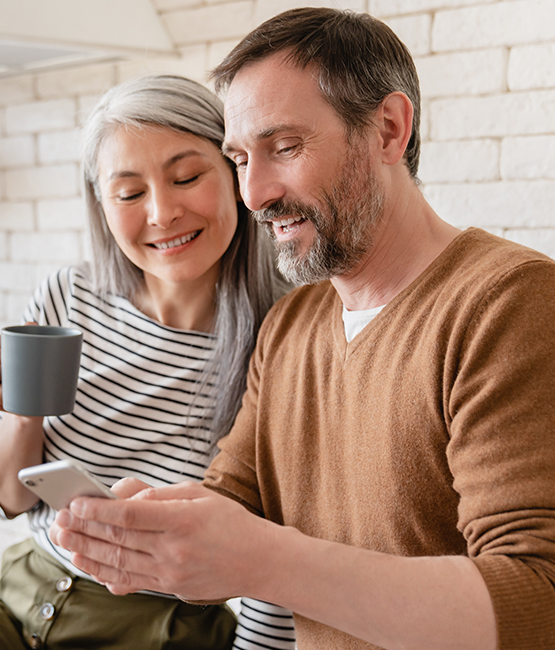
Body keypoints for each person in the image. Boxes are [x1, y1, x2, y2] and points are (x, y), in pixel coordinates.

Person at [49, 8, 555, 650]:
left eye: (284, 147)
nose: (254, 193)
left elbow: (538, 600)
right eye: (239, 158)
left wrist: (263, 559)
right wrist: (153, 529)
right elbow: (231, 499)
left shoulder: (508, 302)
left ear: (389, 130)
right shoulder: (291, 325)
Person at [0, 74, 296, 650]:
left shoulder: (286, 334)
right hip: (20, 597)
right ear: (102, 204)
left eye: (186, 177)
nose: (162, 213)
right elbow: (5, 498)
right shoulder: (70, 295)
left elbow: (285, 550)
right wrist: (21, 414)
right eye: (130, 193)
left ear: (236, 173)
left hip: (159, 628)